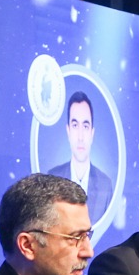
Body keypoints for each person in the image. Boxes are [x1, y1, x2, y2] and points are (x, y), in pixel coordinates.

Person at [49, 90, 115, 219]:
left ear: (92, 133)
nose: (80, 137)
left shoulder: (105, 185)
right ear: (68, 131)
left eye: (85, 126)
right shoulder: (52, 179)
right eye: (75, 125)